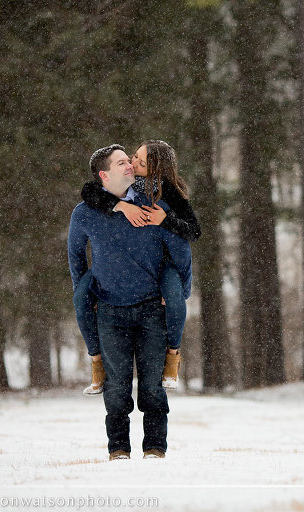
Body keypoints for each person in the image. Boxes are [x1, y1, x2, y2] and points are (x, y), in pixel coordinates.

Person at [68, 144, 192, 460]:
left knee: (152, 388)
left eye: (131, 161)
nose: (130, 167)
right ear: (104, 175)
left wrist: (175, 290)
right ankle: (118, 449)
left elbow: (181, 250)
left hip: (152, 307)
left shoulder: (154, 205)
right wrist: (89, 290)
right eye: (122, 163)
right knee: (117, 389)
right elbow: (75, 255)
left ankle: (155, 448)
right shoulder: (84, 212)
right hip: (109, 310)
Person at [76, 140, 200, 394]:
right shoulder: (134, 186)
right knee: (80, 298)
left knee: (176, 299)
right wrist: (120, 205)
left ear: (155, 171)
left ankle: (173, 357)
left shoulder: (166, 192)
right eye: (133, 157)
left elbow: (192, 233)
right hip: (121, 279)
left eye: (140, 163)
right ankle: (96, 362)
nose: (132, 164)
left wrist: (166, 220)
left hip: (162, 264)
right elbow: (90, 190)